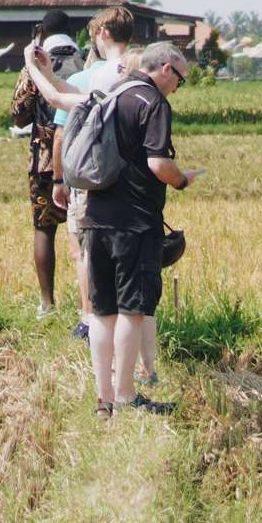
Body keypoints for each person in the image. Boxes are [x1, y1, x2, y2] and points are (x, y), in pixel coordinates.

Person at [82, 43, 197, 418]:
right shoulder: (153, 103)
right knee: (132, 310)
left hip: (96, 215)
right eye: (180, 79)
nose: (178, 87)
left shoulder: (112, 92)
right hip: (134, 222)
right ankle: (127, 395)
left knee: (101, 312)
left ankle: (103, 400)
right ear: (166, 69)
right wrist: (182, 180)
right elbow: (159, 164)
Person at [26, 5, 136, 352]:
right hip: (129, 180)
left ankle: (90, 316)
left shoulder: (91, 78)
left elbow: (59, 121)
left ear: (102, 34)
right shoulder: (136, 72)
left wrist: (60, 180)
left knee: (84, 251)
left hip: (89, 177)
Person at [10, 12, 80, 318]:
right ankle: (88, 304)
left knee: (44, 229)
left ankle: (47, 304)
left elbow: (19, 114)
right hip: (82, 157)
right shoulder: (87, 62)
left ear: (40, 32)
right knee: (86, 233)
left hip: (45, 161)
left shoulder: (36, 62)